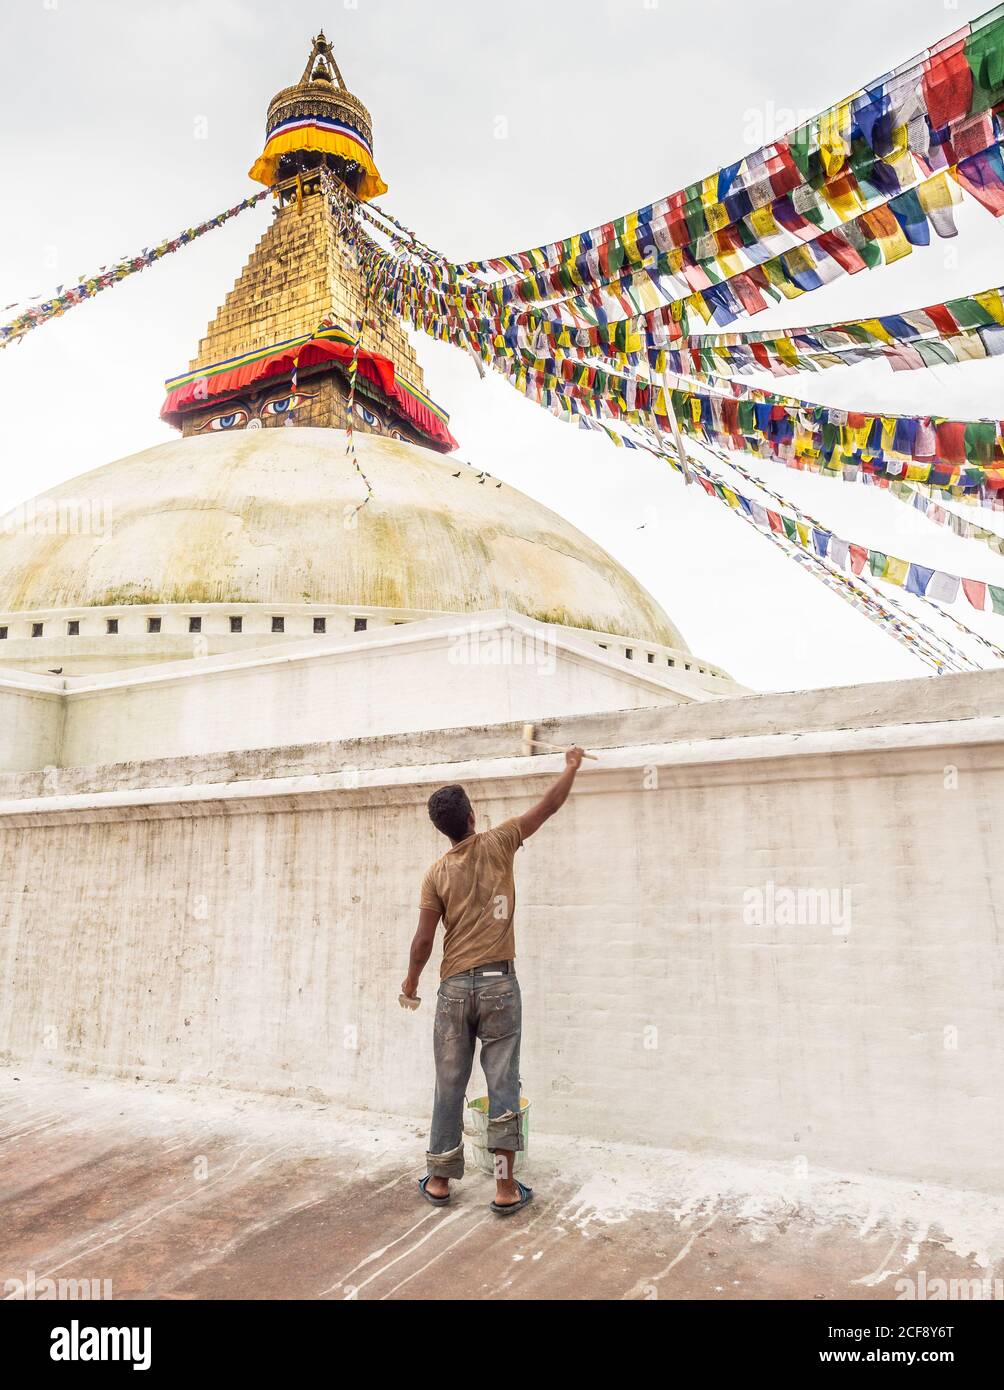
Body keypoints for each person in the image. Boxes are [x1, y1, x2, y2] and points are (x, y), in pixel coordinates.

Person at [401, 747, 585, 1214]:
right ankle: (504, 1189)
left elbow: (423, 940)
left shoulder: (436, 873)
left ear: (443, 827)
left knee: (449, 1082)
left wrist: (410, 986)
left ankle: (440, 1180)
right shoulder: (501, 841)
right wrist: (571, 766)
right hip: (500, 986)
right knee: (502, 1084)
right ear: (471, 816)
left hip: (453, 990)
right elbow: (549, 806)